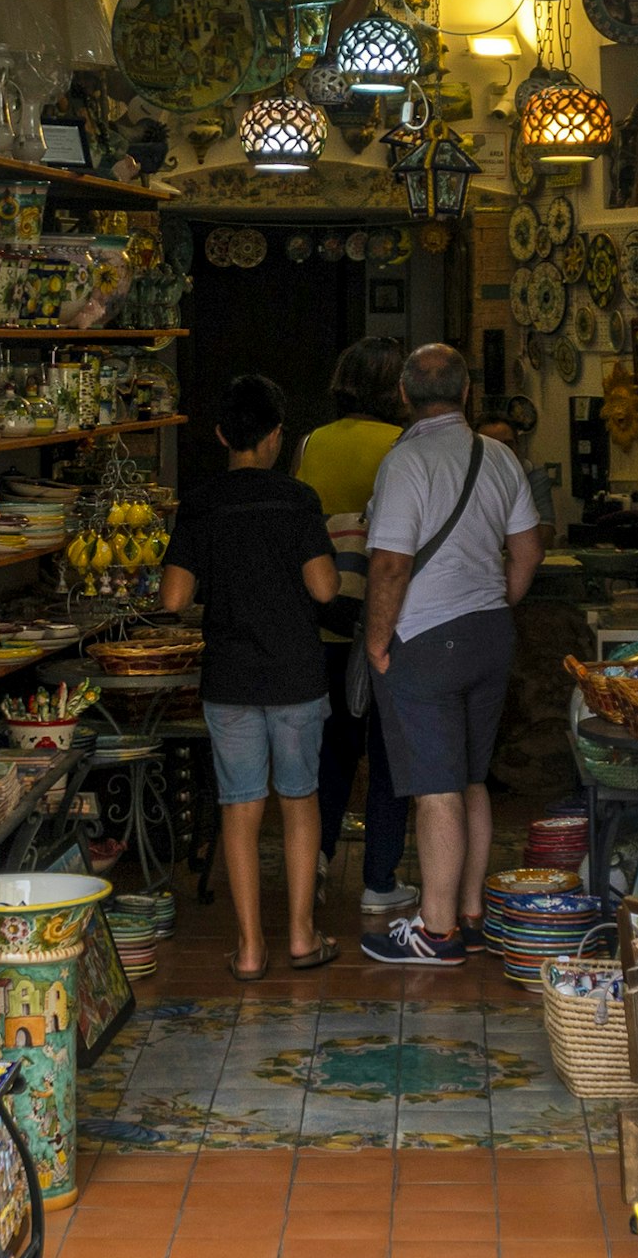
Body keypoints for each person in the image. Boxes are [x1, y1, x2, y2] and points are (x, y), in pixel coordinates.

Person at [360, 344, 541, 966]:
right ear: (467, 394)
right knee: (471, 777)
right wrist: (496, 601)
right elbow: (527, 552)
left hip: (428, 639)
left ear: (404, 397)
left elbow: (389, 565)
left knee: (435, 788)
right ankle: (470, 911)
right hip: (491, 631)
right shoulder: (500, 458)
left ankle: (436, 933)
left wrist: (378, 641)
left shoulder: (404, 462)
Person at [161, 374, 340, 977]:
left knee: (240, 807)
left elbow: (173, 598)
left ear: (219, 435)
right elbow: (324, 587)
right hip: (295, 673)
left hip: (230, 677)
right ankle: (299, 936)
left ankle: (248, 950)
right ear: (276, 436)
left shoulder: (202, 504)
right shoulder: (298, 499)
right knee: (299, 801)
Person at [295, 338, 413, 913]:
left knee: (332, 752)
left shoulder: (312, 443)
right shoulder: (402, 444)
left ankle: (314, 865)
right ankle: (379, 879)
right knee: (389, 751)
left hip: (325, 616)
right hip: (386, 617)